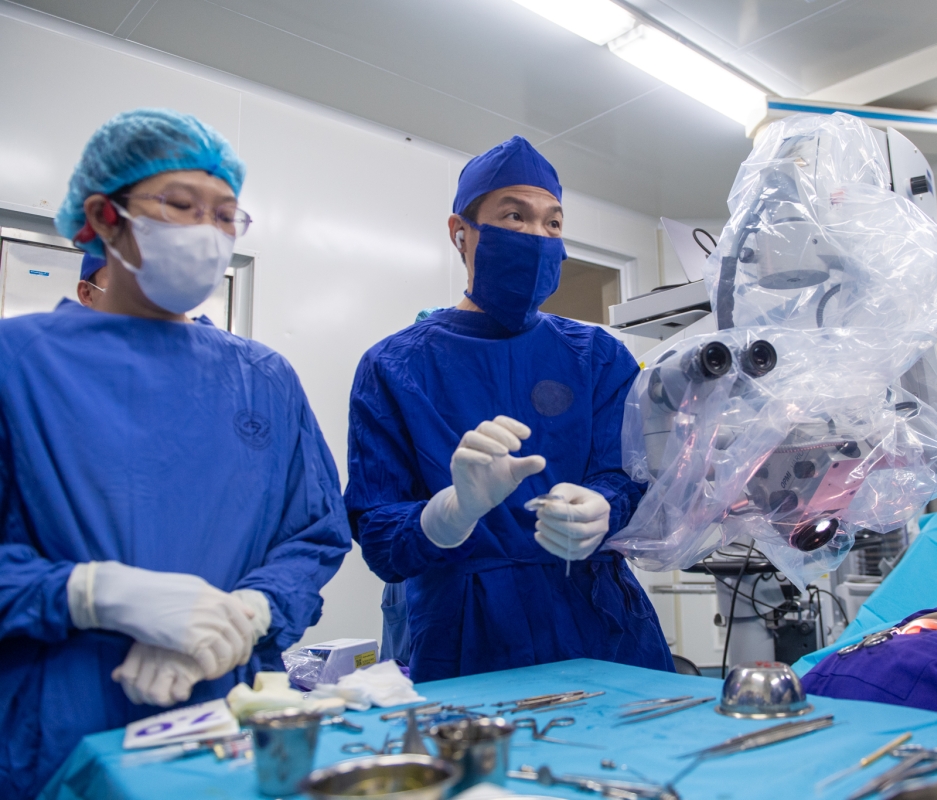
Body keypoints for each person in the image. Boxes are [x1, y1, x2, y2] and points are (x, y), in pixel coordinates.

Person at [0, 108, 351, 799]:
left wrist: (251, 612)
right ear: (104, 217)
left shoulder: (263, 377)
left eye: (224, 215)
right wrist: (91, 594)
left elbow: (313, 535)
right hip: (59, 726)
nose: (206, 231)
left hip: (227, 712)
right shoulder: (17, 364)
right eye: (180, 205)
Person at [346, 135, 673, 682]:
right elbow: (380, 536)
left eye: (553, 223)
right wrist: (449, 513)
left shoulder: (597, 355)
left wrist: (605, 505)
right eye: (515, 216)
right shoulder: (395, 366)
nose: (538, 236)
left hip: (600, 621)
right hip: (466, 632)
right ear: (461, 233)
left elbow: (630, 476)